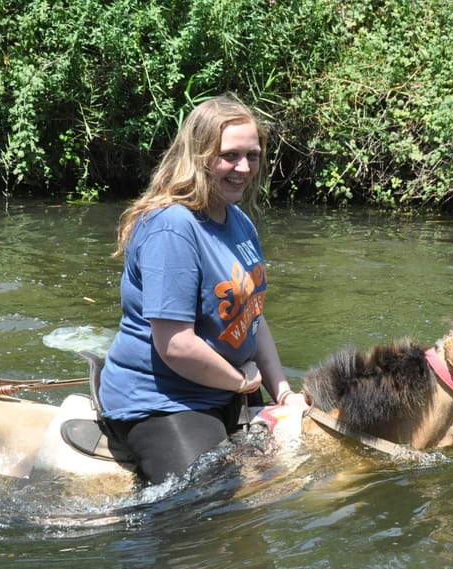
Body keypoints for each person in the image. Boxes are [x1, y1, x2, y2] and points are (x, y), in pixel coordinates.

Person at [99, 94, 307, 485]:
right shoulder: (171, 226)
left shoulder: (239, 221)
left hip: (229, 389)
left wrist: (282, 393)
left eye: (253, 155)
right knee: (208, 503)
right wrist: (242, 381)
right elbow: (176, 345)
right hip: (164, 403)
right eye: (229, 155)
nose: (243, 168)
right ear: (198, 156)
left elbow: (252, 317)